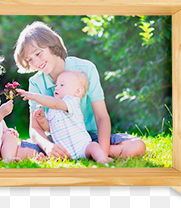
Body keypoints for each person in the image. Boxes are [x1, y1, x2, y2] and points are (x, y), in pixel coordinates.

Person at [13, 22, 147, 160]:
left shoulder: (86, 69)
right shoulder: (36, 83)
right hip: (59, 140)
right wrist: (48, 147)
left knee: (137, 146)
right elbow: (35, 128)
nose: (35, 62)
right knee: (17, 150)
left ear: (52, 45)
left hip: (91, 137)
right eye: (30, 59)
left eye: (38, 53)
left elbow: (101, 117)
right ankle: (67, 154)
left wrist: (103, 150)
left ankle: (89, 152)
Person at [17, 70, 112, 164]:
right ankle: (44, 159)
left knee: (93, 146)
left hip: (82, 148)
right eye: (56, 85)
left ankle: (102, 159)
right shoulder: (53, 110)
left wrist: (34, 96)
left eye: (62, 85)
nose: (56, 88)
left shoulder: (72, 102)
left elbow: (54, 103)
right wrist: (42, 120)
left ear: (78, 91)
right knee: (51, 155)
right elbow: (52, 128)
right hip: (64, 151)